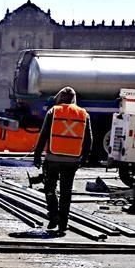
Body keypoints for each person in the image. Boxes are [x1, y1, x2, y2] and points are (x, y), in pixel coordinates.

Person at [33, 86, 92, 236]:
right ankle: (63, 224)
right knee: (66, 192)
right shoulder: (83, 114)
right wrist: (84, 158)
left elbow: (44, 134)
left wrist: (37, 155)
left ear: (60, 98)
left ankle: (53, 216)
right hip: (72, 160)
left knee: (50, 188)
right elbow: (88, 139)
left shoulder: (53, 111)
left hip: (52, 158)